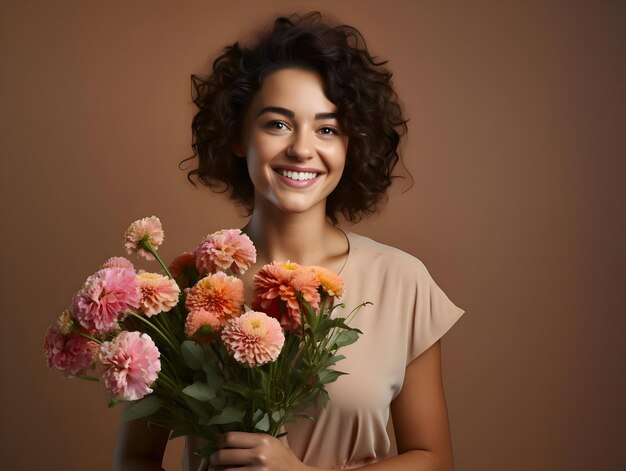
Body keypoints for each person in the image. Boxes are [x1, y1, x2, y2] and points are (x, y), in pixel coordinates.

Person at [114, 12, 464, 471]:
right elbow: (136, 460)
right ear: (239, 136)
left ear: (351, 145)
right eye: (278, 124)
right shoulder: (180, 295)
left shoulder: (402, 282)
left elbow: (434, 460)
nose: (302, 148)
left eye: (327, 129)